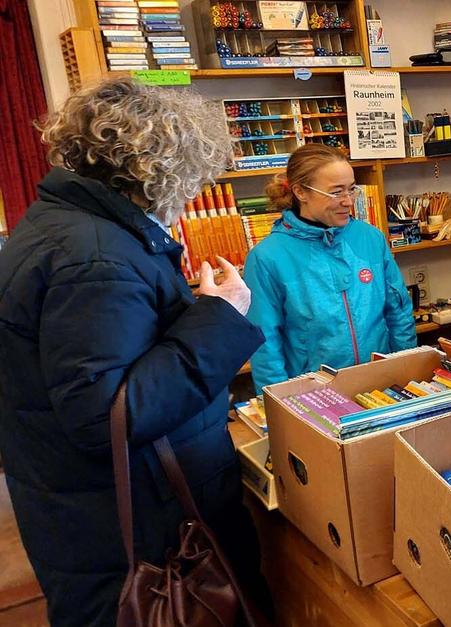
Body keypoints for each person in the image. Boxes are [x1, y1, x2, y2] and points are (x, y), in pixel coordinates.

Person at [0, 76, 270, 625]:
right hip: (140, 530)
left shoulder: (62, 227)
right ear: (158, 172)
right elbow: (107, 417)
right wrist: (221, 316)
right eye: (193, 177)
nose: (194, 193)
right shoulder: (95, 259)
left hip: (83, 512)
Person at [244, 143, 416, 392]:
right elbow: (265, 345)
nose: (348, 201)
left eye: (351, 189)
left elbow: (398, 313)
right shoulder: (267, 257)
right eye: (336, 192)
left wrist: (407, 371)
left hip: (382, 387)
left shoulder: (370, 238)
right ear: (301, 191)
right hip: (314, 396)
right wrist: (279, 403)